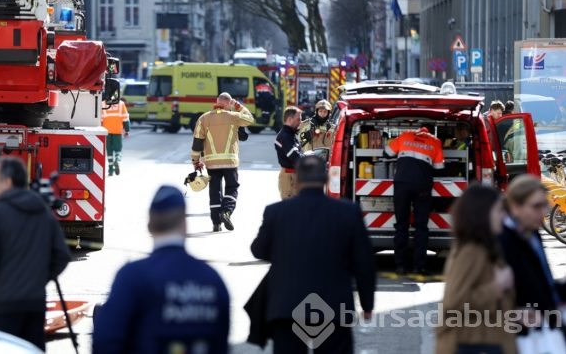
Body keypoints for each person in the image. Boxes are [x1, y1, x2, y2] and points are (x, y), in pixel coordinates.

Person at [250, 156, 376, 354]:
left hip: (287, 308)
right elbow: (364, 262)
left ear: (297, 180)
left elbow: (258, 250)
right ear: (326, 180)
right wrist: (367, 304)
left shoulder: (276, 212)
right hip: (333, 308)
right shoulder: (348, 212)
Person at [93, 186, 230, 353]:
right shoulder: (212, 279)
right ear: (184, 225)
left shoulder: (132, 277)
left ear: (150, 226)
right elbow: (221, 343)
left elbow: (105, 341)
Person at [0, 156, 71, 350]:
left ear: (7, 182)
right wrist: (37, 280)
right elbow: (61, 255)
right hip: (34, 305)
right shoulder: (41, 210)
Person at [436, 184, 517, 354]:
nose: (503, 216)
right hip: (472, 344)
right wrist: (496, 287)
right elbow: (454, 302)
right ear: (482, 215)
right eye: (498, 210)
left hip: (482, 341)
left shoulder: (485, 247)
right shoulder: (472, 251)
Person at [501, 175, 566, 340]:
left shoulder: (532, 233)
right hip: (521, 334)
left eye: (545, 205)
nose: (543, 212)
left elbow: (543, 284)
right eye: (536, 206)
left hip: (545, 325)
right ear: (515, 207)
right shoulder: (500, 240)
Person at [384, 125, 444, 274]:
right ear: (428, 132)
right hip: (422, 186)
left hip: (402, 184)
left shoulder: (405, 136)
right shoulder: (435, 142)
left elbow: (387, 152)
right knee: (421, 227)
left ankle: (400, 265)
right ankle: (419, 266)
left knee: (402, 225)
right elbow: (439, 167)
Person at [191, 92, 254, 232]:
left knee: (215, 190)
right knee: (232, 187)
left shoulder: (204, 118)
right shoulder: (234, 117)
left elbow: (197, 142)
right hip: (230, 161)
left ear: (217, 101)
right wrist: (238, 105)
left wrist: (196, 161)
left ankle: (216, 223)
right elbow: (250, 119)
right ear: (228, 103)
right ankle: (226, 212)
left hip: (211, 163)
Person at [275, 106, 304, 199]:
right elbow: (296, 157)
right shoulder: (285, 136)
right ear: (290, 119)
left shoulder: (290, 135)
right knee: (291, 210)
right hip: (290, 178)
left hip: (293, 176)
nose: (300, 122)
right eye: (298, 119)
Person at [102, 99, 130, 176]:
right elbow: (125, 118)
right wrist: (127, 130)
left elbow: (100, 119)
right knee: (118, 150)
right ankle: (117, 160)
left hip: (106, 131)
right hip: (117, 131)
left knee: (109, 151)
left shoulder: (103, 104)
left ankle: (110, 170)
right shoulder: (121, 104)